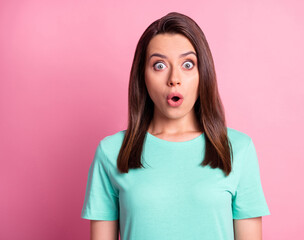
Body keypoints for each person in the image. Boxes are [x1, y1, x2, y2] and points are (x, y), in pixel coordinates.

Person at [81, 12, 270, 240]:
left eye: (188, 64)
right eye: (159, 65)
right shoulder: (111, 152)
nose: (174, 78)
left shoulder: (238, 149)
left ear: (203, 73)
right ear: (143, 76)